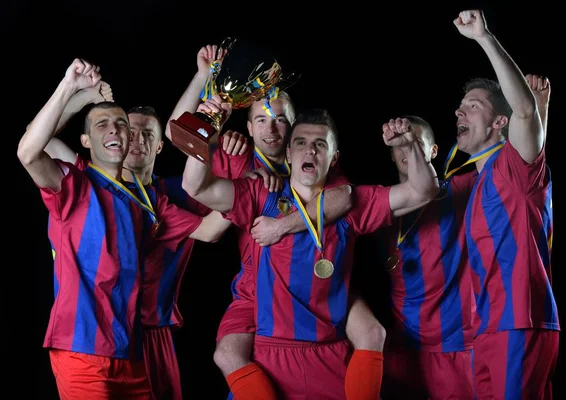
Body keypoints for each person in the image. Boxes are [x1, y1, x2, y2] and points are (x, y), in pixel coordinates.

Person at [166, 51, 388, 399]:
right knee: (227, 353)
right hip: (257, 283)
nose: (272, 129)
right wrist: (204, 89)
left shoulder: (314, 158)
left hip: (319, 279)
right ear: (248, 126)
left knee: (372, 333)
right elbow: (178, 133)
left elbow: (345, 196)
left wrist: (281, 225)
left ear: (294, 124)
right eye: (262, 120)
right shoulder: (238, 159)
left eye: (281, 120)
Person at [180, 106, 439, 399]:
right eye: (301, 143)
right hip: (269, 359)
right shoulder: (261, 195)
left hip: (331, 357)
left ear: (334, 158)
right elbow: (194, 185)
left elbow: (423, 189)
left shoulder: (352, 205)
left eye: (320, 144)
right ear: (289, 154)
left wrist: (409, 144)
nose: (310, 151)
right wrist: (206, 128)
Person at [18, 58, 228, 400]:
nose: (130, 138)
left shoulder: (163, 199)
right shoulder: (78, 180)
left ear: (159, 146)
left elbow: (209, 226)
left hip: (137, 340)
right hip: (85, 341)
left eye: (143, 133)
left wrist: (252, 193)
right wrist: (76, 94)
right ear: (89, 140)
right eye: (112, 127)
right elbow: (32, 146)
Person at [452, 10, 558, 399]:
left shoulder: (515, 166)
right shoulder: (477, 183)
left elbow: (526, 113)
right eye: (460, 106)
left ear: (500, 121)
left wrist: (483, 37)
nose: (460, 111)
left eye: (474, 105)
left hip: (521, 320)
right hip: (489, 328)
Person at [379, 115, 477, 399]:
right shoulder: (380, 204)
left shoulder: (460, 191)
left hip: (455, 348)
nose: (407, 148)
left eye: (416, 143)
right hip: (403, 350)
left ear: (433, 152)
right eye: (401, 143)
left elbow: (510, 159)